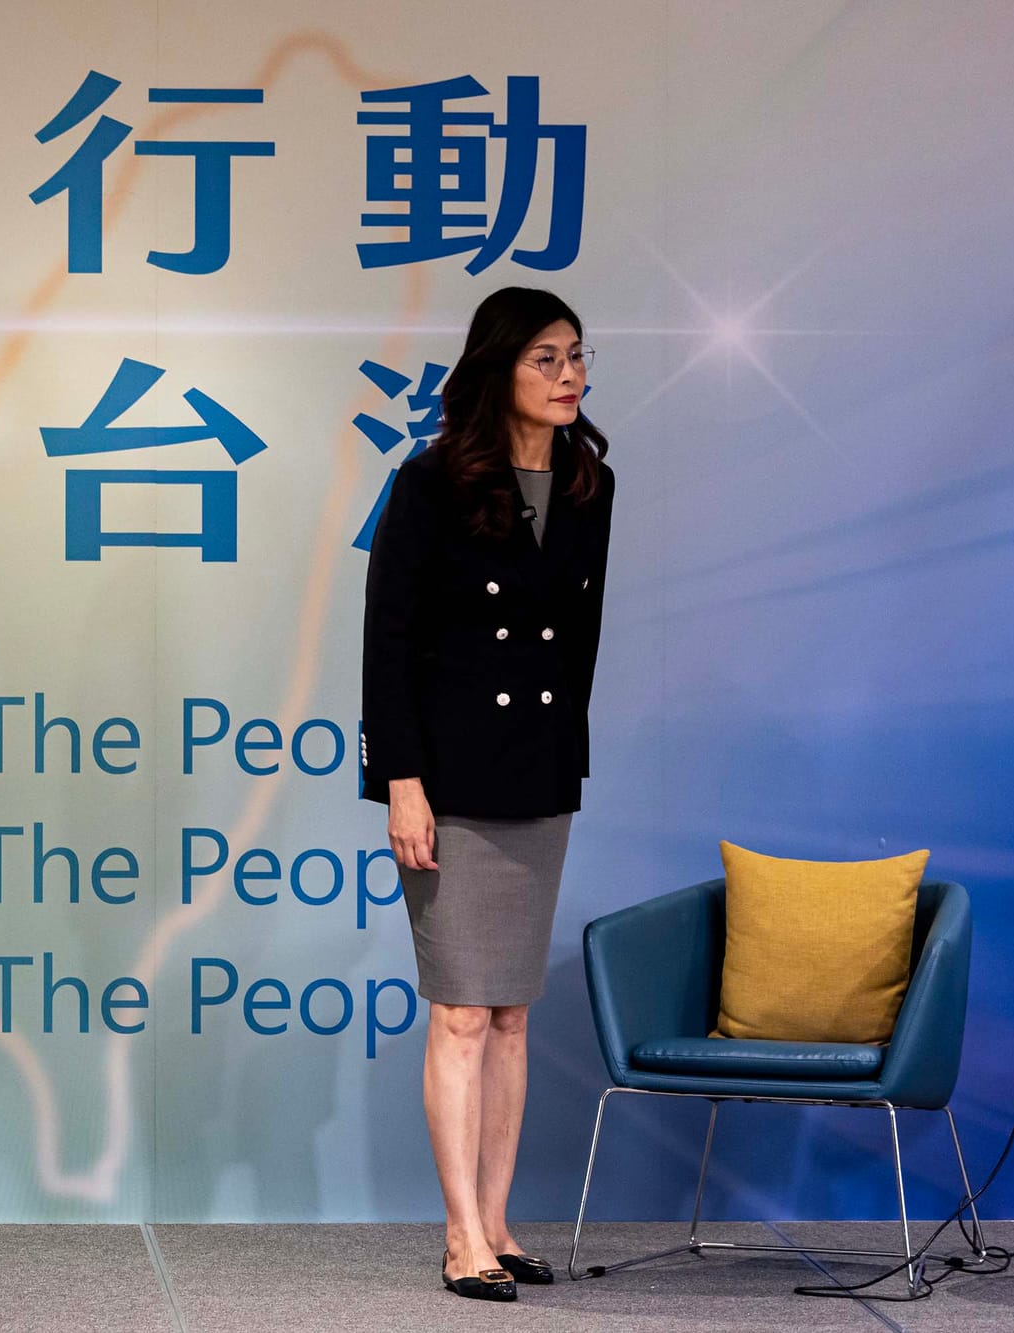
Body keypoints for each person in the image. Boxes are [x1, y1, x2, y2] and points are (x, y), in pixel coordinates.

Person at [360, 287, 614, 1303]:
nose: (568, 375)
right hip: (450, 779)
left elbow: (579, 640)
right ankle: (459, 1232)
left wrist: (563, 754)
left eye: (576, 355)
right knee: (462, 1011)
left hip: (538, 773)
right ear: (496, 367)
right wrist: (401, 783)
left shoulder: (590, 482)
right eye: (545, 358)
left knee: (511, 1011)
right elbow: (388, 641)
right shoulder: (430, 484)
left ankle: (499, 1222)